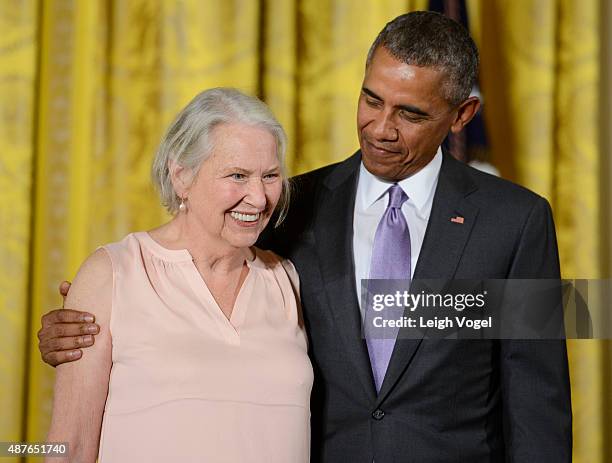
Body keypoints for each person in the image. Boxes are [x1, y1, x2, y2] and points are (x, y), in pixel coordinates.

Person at [38, 11, 571, 462]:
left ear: (461, 115)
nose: (381, 128)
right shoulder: (291, 206)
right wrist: (84, 322)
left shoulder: (515, 219)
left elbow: (537, 394)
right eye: (371, 100)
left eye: (410, 114)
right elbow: (195, 277)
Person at [43, 88, 313, 462]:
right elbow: (68, 449)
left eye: (270, 176)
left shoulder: (286, 280)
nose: (259, 196)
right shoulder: (113, 273)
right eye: (237, 175)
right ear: (182, 175)